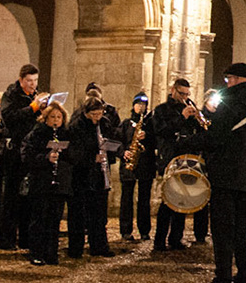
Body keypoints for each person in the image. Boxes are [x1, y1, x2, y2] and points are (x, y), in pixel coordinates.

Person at [195, 63, 246, 283]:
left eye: (229, 79)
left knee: (222, 229)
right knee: (241, 229)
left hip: (225, 172)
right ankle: (243, 276)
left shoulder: (231, 103)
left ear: (237, 79)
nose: (227, 83)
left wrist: (184, 142)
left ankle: (222, 280)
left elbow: (215, 137)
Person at [151, 79, 208, 250]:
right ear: (173, 90)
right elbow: (162, 131)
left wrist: (198, 120)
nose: (184, 97)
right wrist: (181, 117)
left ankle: (176, 238)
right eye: (181, 93)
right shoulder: (161, 110)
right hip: (170, 157)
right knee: (168, 199)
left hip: (187, 157)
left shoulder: (190, 107)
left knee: (183, 198)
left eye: (187, 94)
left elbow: (197, 132)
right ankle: (159, 240)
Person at [0, 64, 41, 252]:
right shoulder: (11, 95)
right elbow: (10, 117)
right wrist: (32, 108)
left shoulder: (35, 95)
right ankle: (6, 239)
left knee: (28, 196)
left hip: (31, 150)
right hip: (14, 152)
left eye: (35, 80)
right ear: (21, 80)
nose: (32, 84)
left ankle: (25, 238)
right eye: (29, 81)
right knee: (12, 197)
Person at [64, 96, 114, 258]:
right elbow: (73, 152)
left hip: (100, 175)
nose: (96, 118)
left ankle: (99, 246)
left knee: (99, 214)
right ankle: (75, 248)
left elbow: (112, 139)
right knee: (78, 214)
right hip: (81, 176)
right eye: (93, 114)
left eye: (99, 114)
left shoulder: (104, 123)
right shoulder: (76, 126)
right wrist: (92, 158)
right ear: (86, 113)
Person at [22, 102, 72, 266]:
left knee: (54, 219)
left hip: (59, 183)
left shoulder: (66, 134)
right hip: (41, 182)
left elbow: (74, 156)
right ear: (45, 118)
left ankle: (51, 252)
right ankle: (36, 252)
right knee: (39, 219)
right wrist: (46, 158)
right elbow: (27, 156)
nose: (56, 120)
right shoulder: (36, 134)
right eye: (52, 117)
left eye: (59, 117)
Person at [118, 92, 154, 243]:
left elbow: (157, 141)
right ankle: (126, 230)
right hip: (129, 165)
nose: (141, 107)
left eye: (144, 104)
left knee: (144, 199)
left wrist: (148, 136)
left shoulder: (151, 124)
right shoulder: (126, 123)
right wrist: (123, 152)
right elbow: (117, 141)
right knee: (126, 198)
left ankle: (144, 230)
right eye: (138, 104)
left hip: (146, 165)